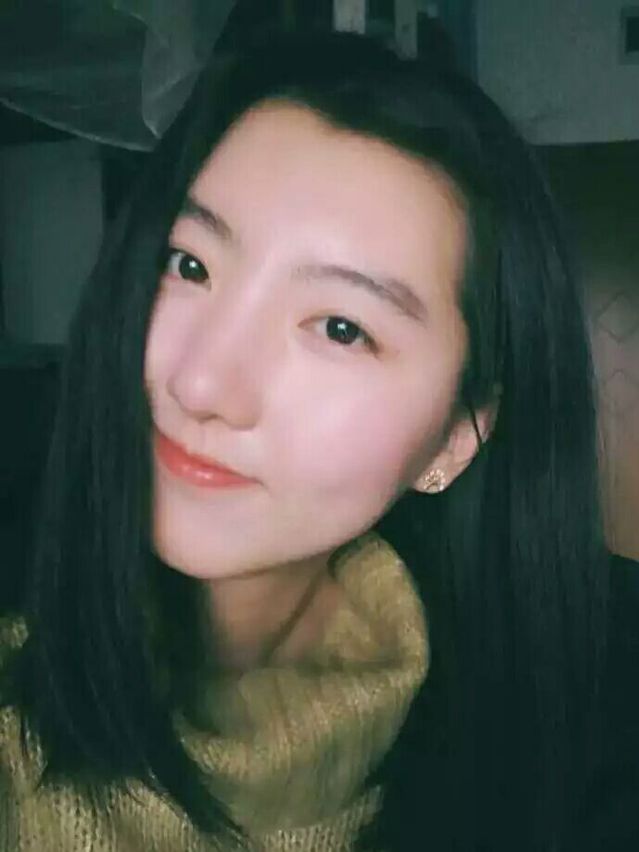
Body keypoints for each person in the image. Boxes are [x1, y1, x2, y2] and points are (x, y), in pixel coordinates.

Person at [0, 28, 621, 851]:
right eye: (189, 265)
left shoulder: (583, 733)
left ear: (454, 439)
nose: (201, 385)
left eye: (339, 328)